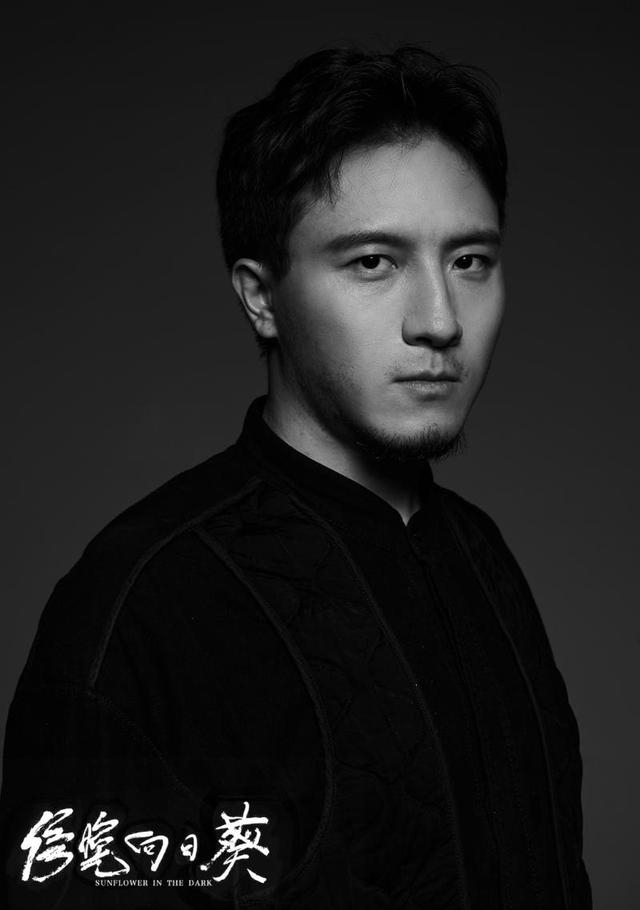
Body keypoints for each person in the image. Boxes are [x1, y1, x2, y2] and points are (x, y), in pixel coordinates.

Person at [0, 46, 591, 909]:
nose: (439, 322)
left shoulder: (483, 556)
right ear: (261, 296)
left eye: (469, 260)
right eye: (373, 262)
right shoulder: (145, 601)